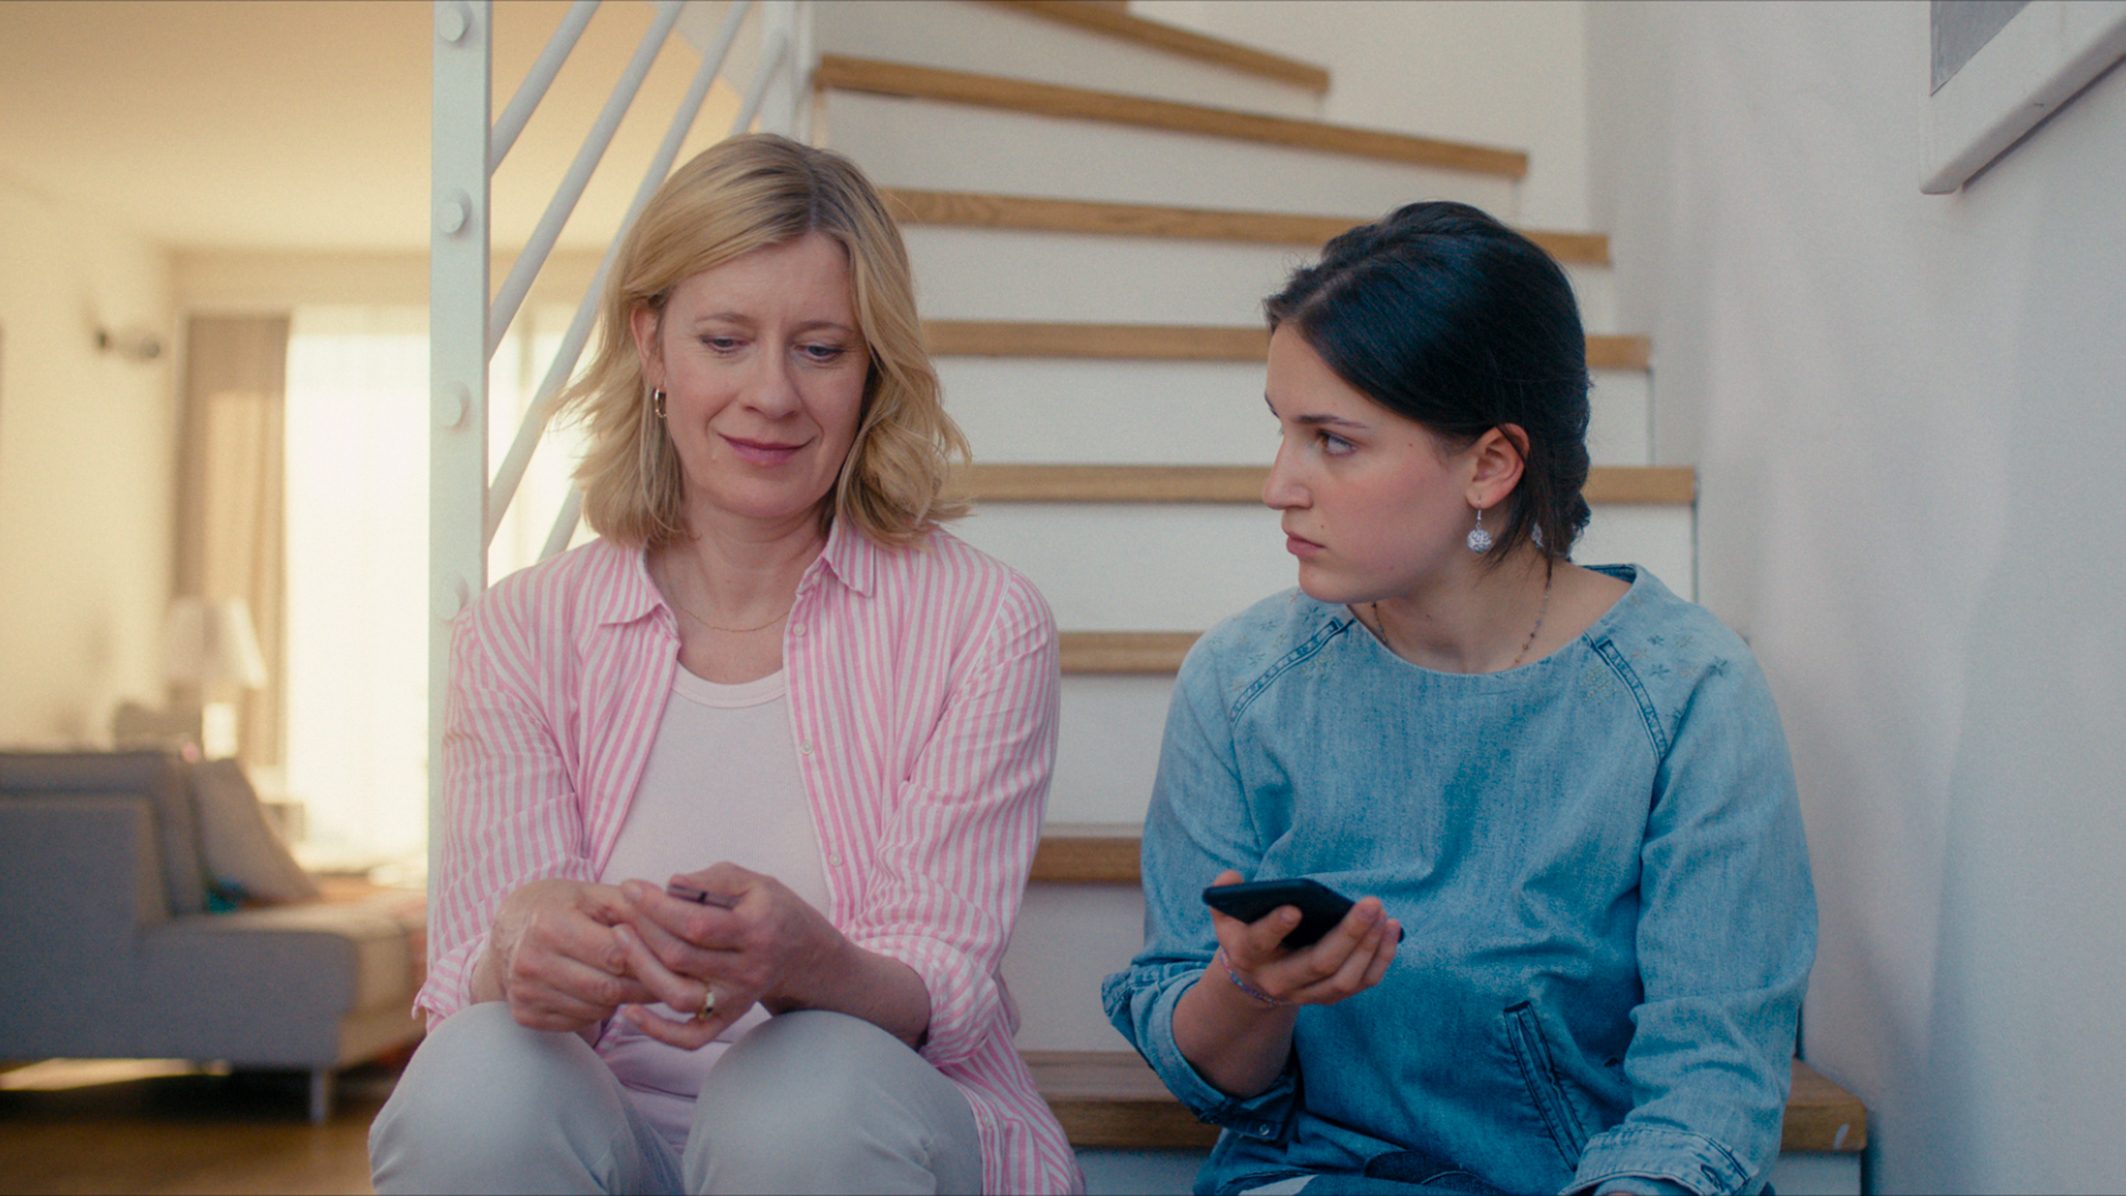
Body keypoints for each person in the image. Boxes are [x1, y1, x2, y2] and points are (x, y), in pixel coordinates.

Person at [370, 134, 1080, 1196]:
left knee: (800, 1091)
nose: (771, 394)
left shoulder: (982, 623)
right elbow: (471, 981)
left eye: (820, 349)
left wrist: (809, 963)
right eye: (724, 340)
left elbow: (945, 981)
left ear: (872, 370)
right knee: (473, 1070)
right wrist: (516, 952)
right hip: (602, 1137)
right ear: (651, 345)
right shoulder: (520, 629)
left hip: (856, 1131)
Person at [1102, 201, 1816, 1196]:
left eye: (1331, 440)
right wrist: (1249, 988)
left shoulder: (1688, 691)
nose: (1278, 485)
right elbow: (1212, 1075)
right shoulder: (1239, 683)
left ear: (1489, 465)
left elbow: (1710, 1083)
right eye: (1282, 431)